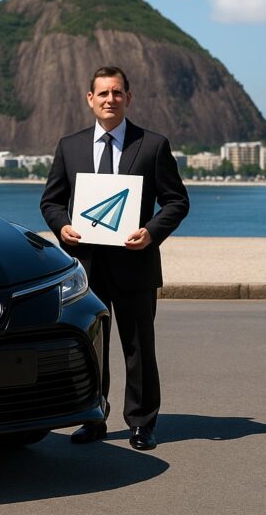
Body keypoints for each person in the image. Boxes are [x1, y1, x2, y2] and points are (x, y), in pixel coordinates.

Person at [40, 66, 189, 451]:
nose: (110, 99)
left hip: (135, 265)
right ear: (90, 99)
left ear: (128, 97)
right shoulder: (69, 146)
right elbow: (51, 201)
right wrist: (62, 228)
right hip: (86, 268)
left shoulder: (153, 144)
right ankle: (94, 418)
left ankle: (142, 423)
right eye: (103, 93)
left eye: (117, 92)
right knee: (93, 348)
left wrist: (152, 232)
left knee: (139, 347)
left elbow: (177, 200)